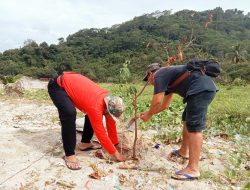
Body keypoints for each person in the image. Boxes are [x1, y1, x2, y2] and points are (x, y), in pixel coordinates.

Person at [139, 62, 217, 180]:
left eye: (148, 79)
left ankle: (193, 169)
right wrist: (148, 113)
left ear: (150, 74)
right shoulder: (168, 79)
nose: (149, 82)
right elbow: (164, 105)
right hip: (201, 89)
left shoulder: (159, 75)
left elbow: (156, 102)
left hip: (200, 90)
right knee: (187, 119)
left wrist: (149, 115)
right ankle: (183, 151)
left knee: (194, 127)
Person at [48, 71, 127, 170]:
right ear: (107, 108)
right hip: (58, 86)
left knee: (92, 115)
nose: (109, 116)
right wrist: (116, 154)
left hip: (71, 82)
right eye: (109, 113)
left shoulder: (109, 100)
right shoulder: (96, 106)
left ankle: (85, 143)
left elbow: (111, 123)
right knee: (69, 113)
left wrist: (115, 145)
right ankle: (69, 154)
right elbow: (101, 133)